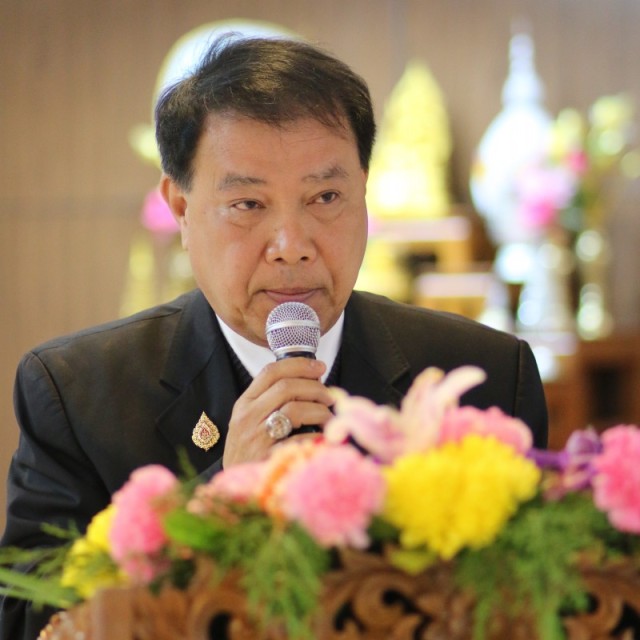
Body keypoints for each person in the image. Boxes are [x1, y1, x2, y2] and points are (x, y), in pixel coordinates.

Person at [0, 35, 548, 639]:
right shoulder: (78, 394)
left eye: (326, 197)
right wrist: (219, 504)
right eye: (248, 204)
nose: (292, 245)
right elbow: (30, 622)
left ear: (364, 193)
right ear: (180, 208)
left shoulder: (485, 375)